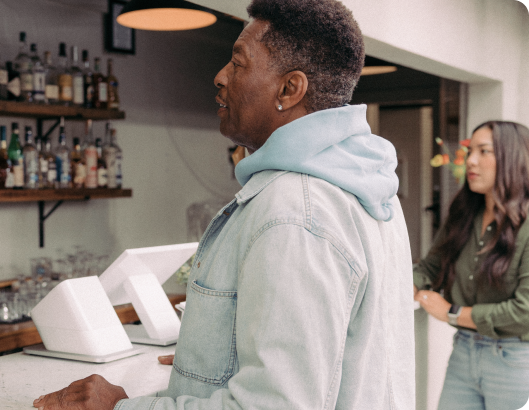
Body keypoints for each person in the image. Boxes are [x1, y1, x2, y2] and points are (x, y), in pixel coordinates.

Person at [32, 0, 415, 409]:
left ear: (290, 89)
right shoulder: (366, 187)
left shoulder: (294, 211)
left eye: (238, 64)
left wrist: (118, 408)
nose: (220, 77)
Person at [414, 121, 529, 409]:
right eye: (470, 151)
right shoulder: (464, 212)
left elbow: (525, 311)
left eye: (484, 151)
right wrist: (410, 285)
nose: (471, 161)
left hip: (517, 360)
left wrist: (452, 312)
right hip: (464, 352)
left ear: (513, 158)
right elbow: (431, 266)